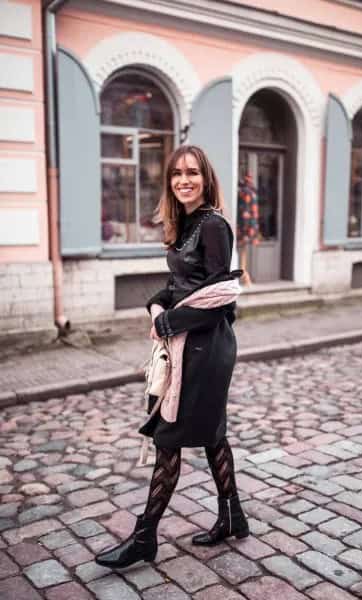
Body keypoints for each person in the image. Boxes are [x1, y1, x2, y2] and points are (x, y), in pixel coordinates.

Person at [95, 145, 249, 569]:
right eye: (177, 173)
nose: (184, 180)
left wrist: (168, 321)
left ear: (206, 178)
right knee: (214, 434)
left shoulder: (214, 226)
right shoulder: (185, 225)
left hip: (205, 348)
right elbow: (177, 286)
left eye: (193, 173)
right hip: (193, 343)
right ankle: (233, 516)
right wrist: (156, 305)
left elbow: (220, 298)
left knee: (168, 439)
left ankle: (145, 537)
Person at [237, 173, 260, 286]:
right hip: (250, 227)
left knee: (242, 252)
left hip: (245, 228)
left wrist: (244, 229)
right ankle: (245, 277)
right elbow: (252, 212)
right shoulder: (252, 192)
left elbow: (246, 211)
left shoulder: (245, 192)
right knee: (243, 253)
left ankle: (245, 277)